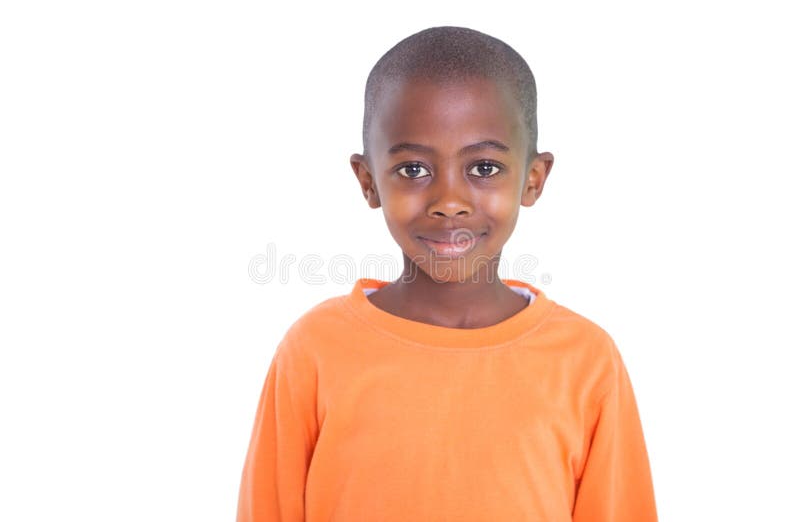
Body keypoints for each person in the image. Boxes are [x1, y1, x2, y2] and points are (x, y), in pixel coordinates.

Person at [236, 26, 658, 521]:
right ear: (368, 181)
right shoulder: (314, 350)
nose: (449, 203)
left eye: (483, 168)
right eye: (414, 169)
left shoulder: (586, 361)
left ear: (534, 179)